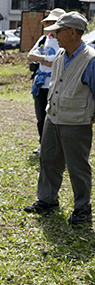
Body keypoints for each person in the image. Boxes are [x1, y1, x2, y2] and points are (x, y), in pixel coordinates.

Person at [24, 12, 95, 226]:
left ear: (72, 32)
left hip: (76, 121)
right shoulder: (62, 54)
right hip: (53, 116)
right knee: (48, 159)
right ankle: (47, 200)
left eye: (58, 31)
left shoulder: (91, 60)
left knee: (77, 166)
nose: (54, 35)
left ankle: (82, 209)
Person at [27, 8, 64, 154]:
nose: (50, 25)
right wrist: (47, 60)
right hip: (40, 84)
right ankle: (43, 144)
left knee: (56, 117)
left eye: (53, 22)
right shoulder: (43, 39)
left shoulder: (64, 42)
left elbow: (60, 62)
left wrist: (41, 59)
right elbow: (30, 55)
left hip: (57, 84)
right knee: (41, 117)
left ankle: (57, 146)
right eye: (48, 22)